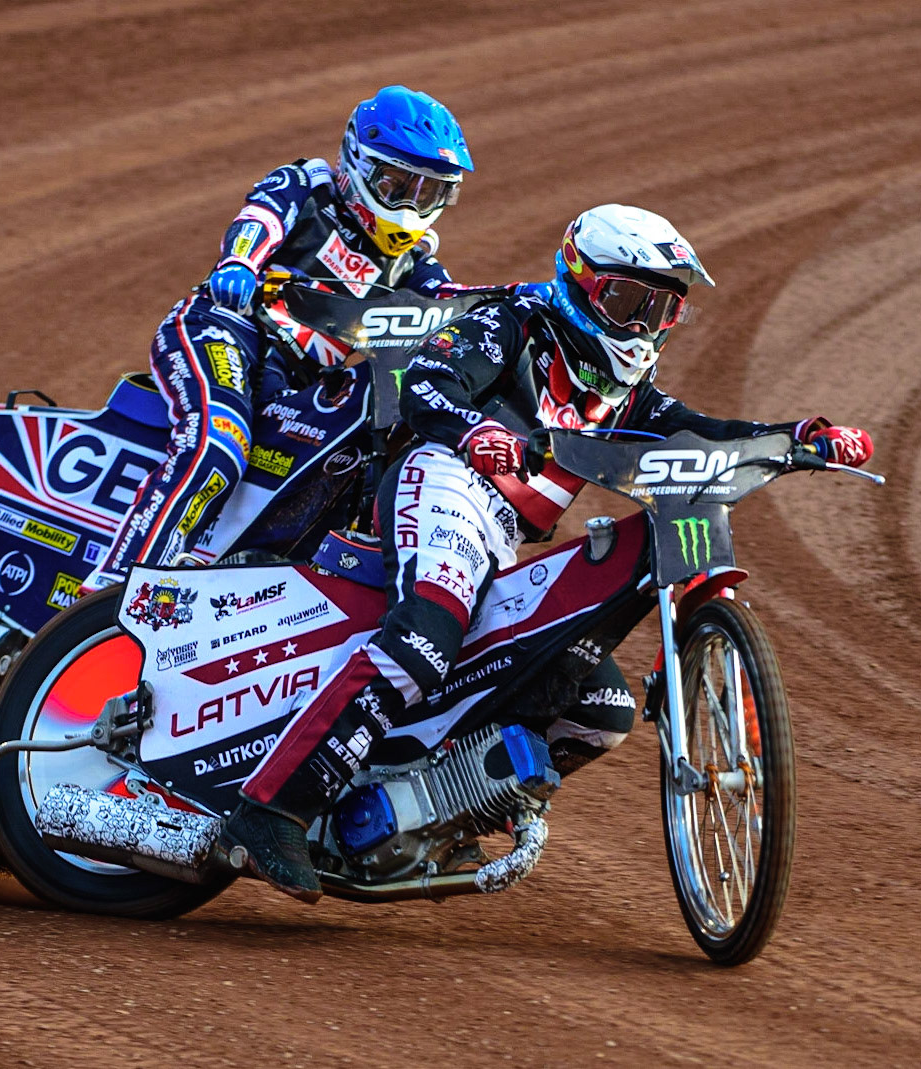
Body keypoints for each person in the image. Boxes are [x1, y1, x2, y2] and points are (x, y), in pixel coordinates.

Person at [220, 203, 874, 901]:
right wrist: (474, 431)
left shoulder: (625, 391)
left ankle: (435, 807)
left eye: (662, 310)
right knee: (423, 641)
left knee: (599, 709)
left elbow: (700, 432)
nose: (642, 327)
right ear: (581, 280)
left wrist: (798, 438)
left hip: (497, 534)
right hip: (443, 479)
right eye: (629, 301)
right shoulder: (513, 321)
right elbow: (430, 384)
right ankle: (271, 810)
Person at [82, 86, 483, 590]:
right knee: (217, 442)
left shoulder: (415, 260)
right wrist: (241, 264)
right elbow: (261, 218)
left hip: (299, 384)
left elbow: (453, 302)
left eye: (430, 192)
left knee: (344, 470)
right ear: (359, 162)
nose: (412, 205)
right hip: (226, 329)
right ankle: (115, 584)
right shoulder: (309, 185)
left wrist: (518, 304)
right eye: (398, 184)